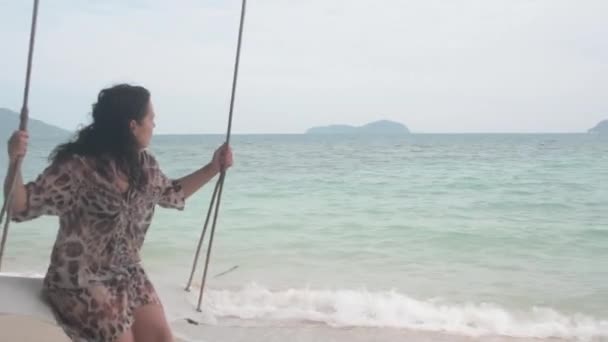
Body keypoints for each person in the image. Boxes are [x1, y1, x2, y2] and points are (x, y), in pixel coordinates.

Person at [4, 84, 233, 342]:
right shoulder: (78, 167)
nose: (154, 125)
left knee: (161, 337)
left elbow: (171, 193)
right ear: (133, 126)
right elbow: (21, 206)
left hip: (128, 274)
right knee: (123, 339)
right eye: (151, 119)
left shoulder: (145, 166)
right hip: (79, 281)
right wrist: (14, 161)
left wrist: (213, 168)